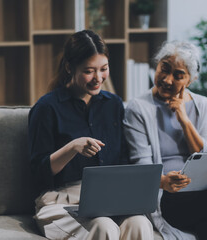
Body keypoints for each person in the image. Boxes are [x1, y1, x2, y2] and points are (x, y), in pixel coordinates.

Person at [123, 41, 207, 240]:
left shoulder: (202, 105)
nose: (167, 80)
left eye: (178, 75)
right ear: (157, 64)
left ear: (190, 80)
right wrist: (164, 182)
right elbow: (142, 167)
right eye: (164, 69)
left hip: (198, 195)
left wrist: (184, 120)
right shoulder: (138, 108)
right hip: (165, 197)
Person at [28, 30, 153, 240]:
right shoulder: (47, 108)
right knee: (104, 227)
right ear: (69, 67)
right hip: (60, 200)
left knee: (140, 223)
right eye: (89, 71)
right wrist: (72, 147)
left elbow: (122, 159)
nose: (98, 78)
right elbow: (39, 173)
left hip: (109, 197)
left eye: (103, 69)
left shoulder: (113, 104)